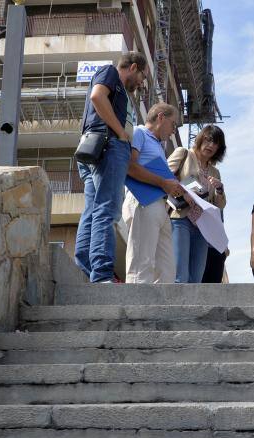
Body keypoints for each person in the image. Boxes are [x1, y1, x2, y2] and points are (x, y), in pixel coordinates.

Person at [74, 52, 147, 283]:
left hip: (95, 148)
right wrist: (121, 132)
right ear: (133, 67)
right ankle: (102, 274)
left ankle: (87, 267)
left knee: (93, 210)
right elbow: (97, 97)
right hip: (109, 146)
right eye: (142, 76)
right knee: (108, 209)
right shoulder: (110, 72)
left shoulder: (117, 86)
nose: (142, 83)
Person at [122, 103, 184, 283]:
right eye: (173, 124)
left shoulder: (159, 145)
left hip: (160, 206)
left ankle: (160, 308)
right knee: (142, 262)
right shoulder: (139, 132)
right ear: (161, 117)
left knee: (166, 270)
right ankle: (134, 308)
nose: (173, 131)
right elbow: (130, 166)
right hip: (142, 202)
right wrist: (163, 182)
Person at [167, 125, 227, 283]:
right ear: (200, 139)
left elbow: (219, 205)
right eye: (209, 140)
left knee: (196, 279)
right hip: (180, 219)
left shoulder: (215, 172)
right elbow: (165, 176)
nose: (211, 146)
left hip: (202, 226)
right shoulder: (184, 153)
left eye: (216, 143)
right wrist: (183, 193)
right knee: (180, 275)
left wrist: (220, 190)